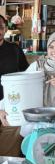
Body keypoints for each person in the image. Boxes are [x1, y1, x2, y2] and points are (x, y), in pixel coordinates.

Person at [0, 14, 29, 156]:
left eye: (0, 27)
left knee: (8, 153)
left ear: (5, 29)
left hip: (12, 108)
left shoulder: (14, 50)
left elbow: (25, 77)